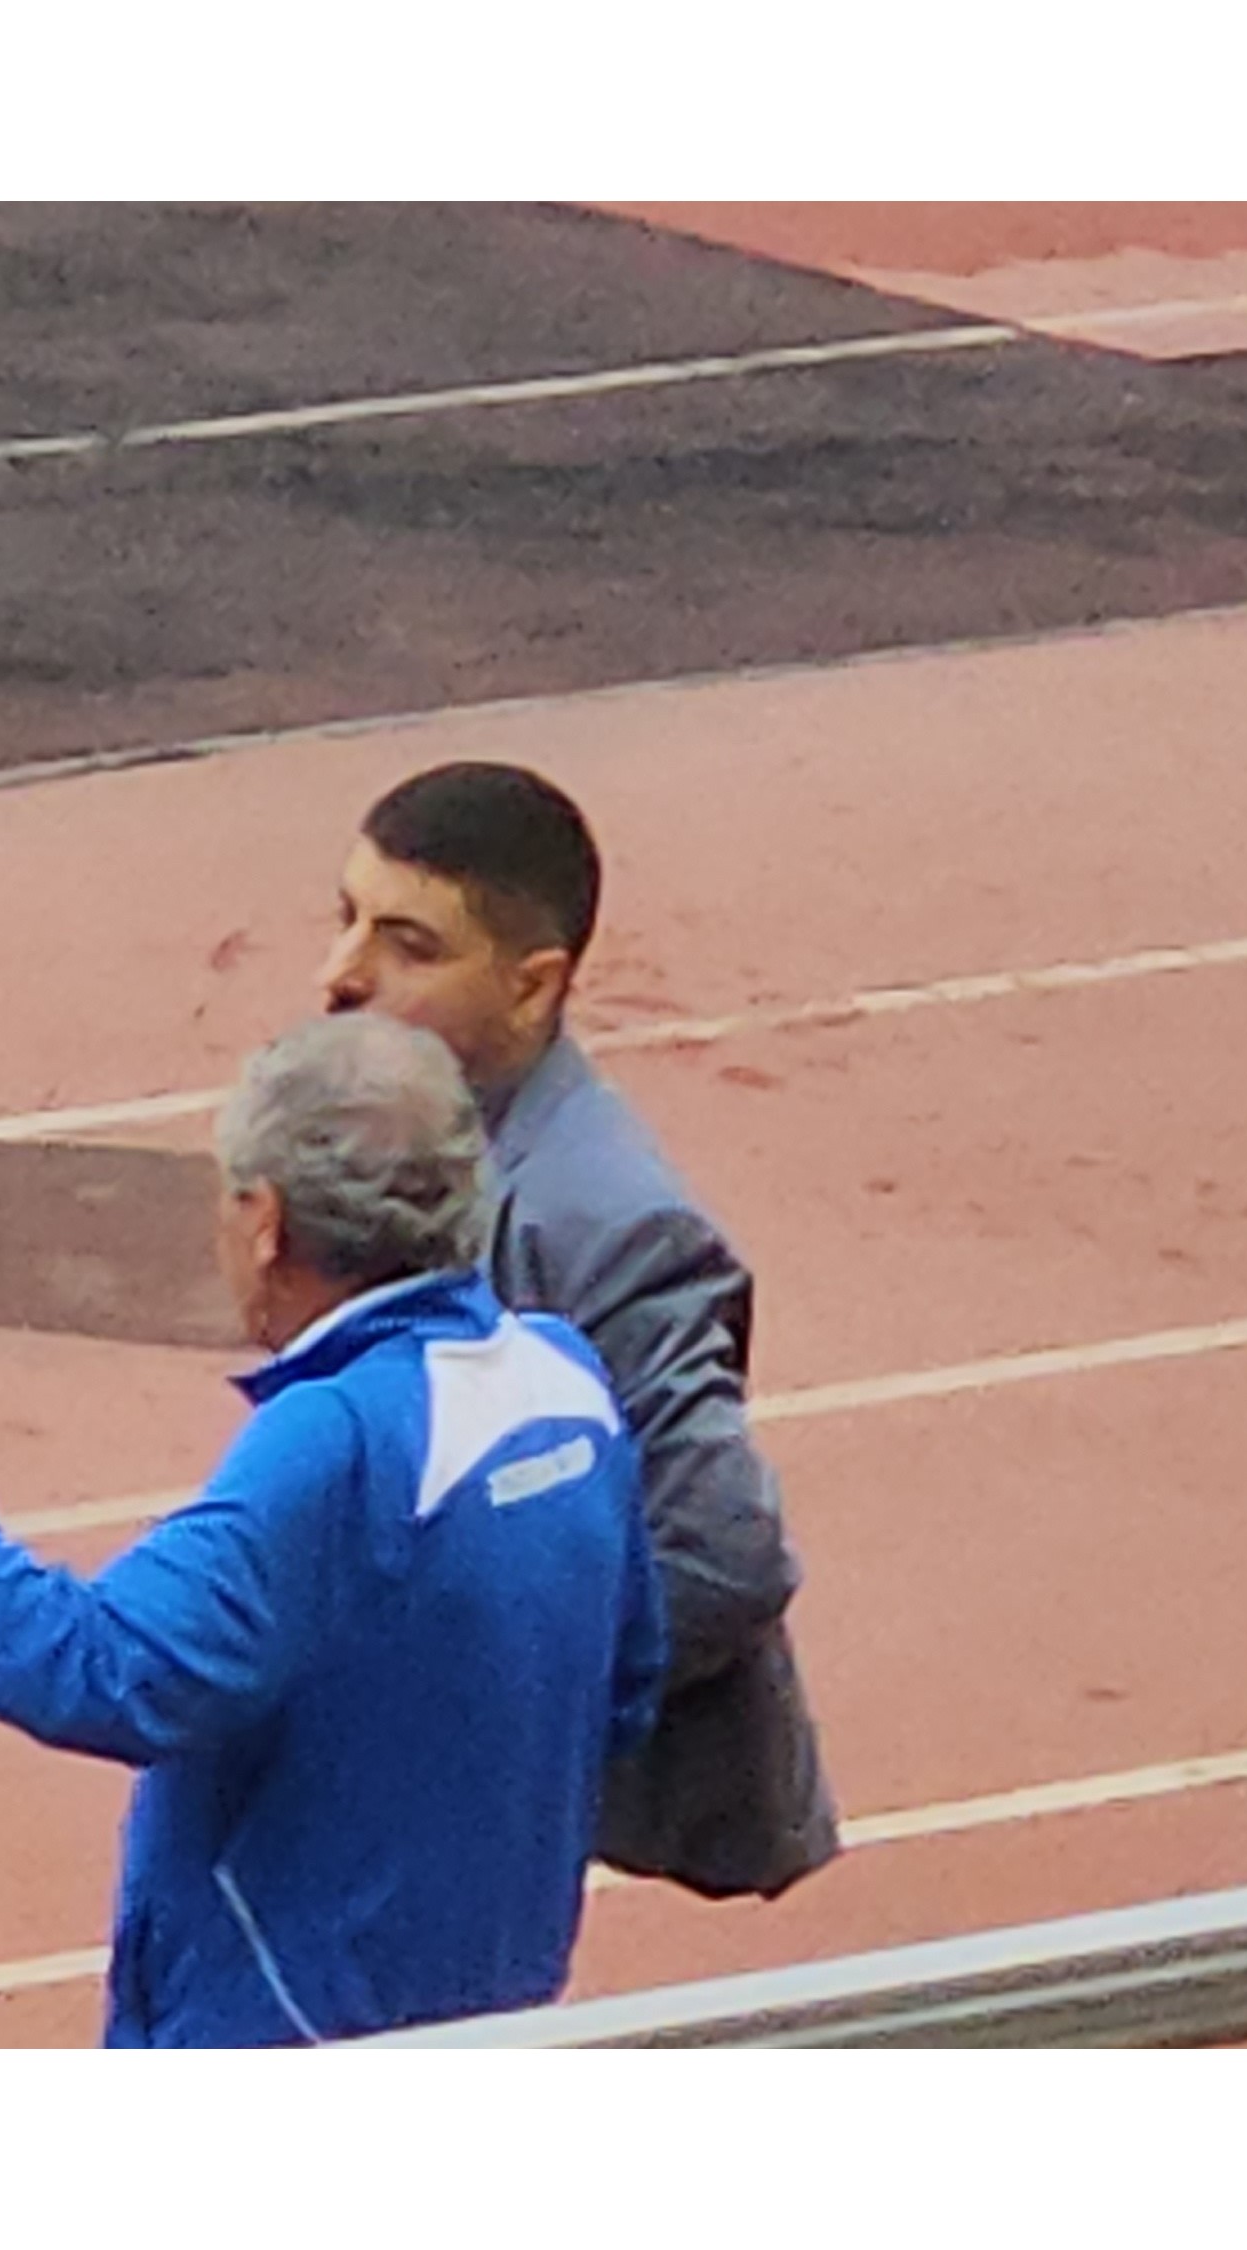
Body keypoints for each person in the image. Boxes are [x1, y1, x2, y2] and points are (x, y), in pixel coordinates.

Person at [0, 1013, 665, 2046]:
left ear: (263, 1220)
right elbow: (624, 1688)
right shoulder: (561, 1374)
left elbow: (93, 1670)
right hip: (497, 2008)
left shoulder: (339, 1435)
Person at [318, 762, 840, 1901]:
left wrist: (475, 1701)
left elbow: (727, 1555)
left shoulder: (606, 1223)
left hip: (527, 1807)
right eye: (345, 919)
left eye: (408, 946)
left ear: (532, 986)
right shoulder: (412, 1147)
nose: (341, 976)